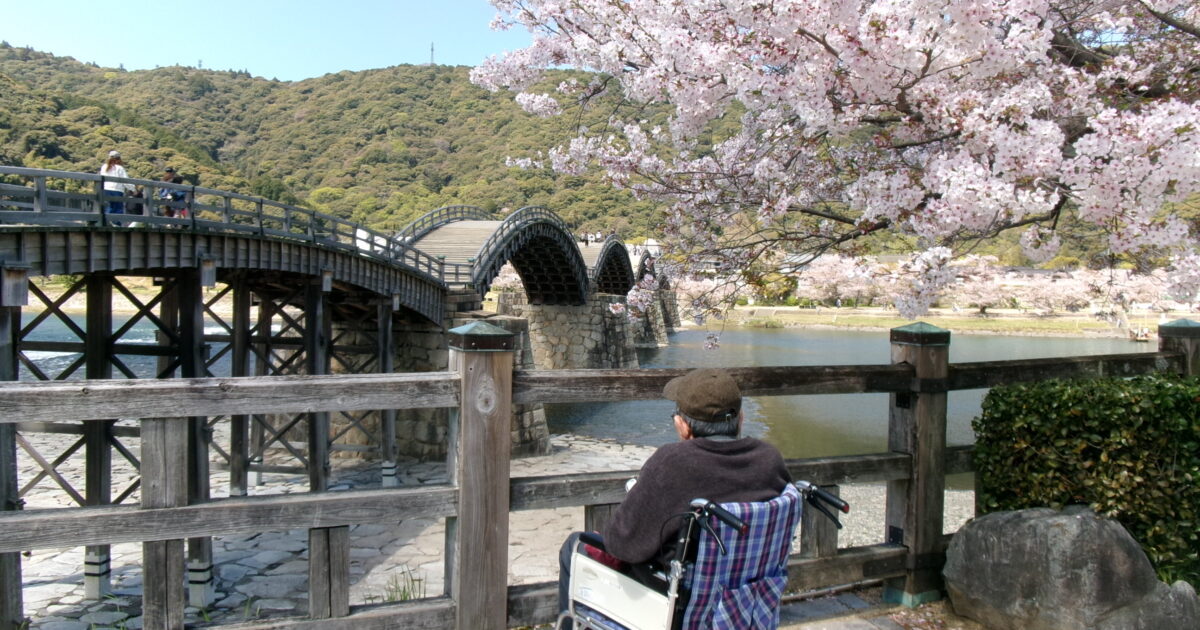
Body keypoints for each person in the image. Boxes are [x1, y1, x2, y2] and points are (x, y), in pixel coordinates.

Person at [556, 368, 793, 625]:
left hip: (680, 609)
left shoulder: (673, 464)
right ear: (741, 419)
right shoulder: (770, 460)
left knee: (574, 546)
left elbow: (622, 544)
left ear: (683, 426)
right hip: (746, 606)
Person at [98, 150, 135, 216]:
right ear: (119, 159)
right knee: (117, 210)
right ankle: (115, 222)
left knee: (107, 209)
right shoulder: (119, 168)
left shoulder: (104, 167)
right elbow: (125, 181)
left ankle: (106, 221)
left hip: (105, 190)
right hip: (117, 191)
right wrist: (133, 189)